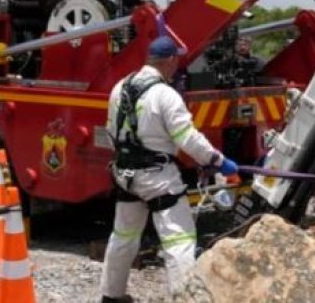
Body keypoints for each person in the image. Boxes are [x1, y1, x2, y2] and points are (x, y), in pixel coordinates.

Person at [100, 35, 239, 303]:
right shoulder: (165, 95)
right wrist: (217, 161)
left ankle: (111, 295)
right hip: (158, 179)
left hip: (125, 175)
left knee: (124, 236)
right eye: (177, 60)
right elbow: (188, 139)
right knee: (179, 241)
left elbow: (110, 133)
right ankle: (184, 298)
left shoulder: (120, 88)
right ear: (170, 61)